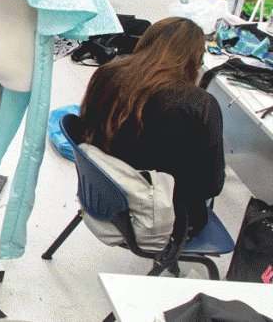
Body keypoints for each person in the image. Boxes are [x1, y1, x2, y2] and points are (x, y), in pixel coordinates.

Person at [79, 17, 225, 242]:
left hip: (101, 197)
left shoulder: (105, 74)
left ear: (146, 42)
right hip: (159, 219)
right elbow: (211, 186)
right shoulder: (200, 104)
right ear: (196, 59)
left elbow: (84, 131)